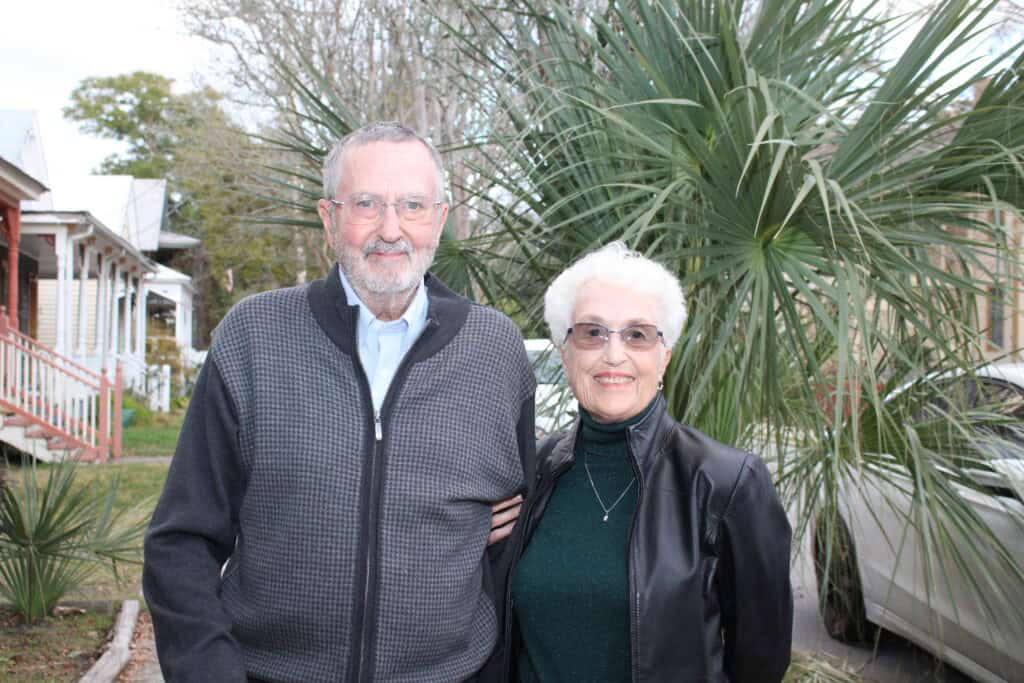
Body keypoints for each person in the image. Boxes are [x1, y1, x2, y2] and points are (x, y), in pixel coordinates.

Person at [143, 121, 536, 682]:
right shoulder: (255, 337)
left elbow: (515, 542)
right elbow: (181, 541)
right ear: (329, 218)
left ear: (441, 219)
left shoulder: (495, 349)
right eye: (367, 204)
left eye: (413, 205)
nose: (391, 229)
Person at [491, 242, 793, 682]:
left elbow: (760, 661)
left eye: (637, 334)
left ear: (664, 355)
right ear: (564, 351)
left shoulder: (726, 484)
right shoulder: (531, 472)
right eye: (592, 332)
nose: (614, 355)